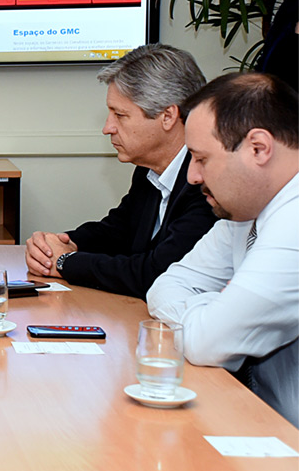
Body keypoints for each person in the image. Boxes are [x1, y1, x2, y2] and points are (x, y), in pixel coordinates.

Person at [148, 73, 298, 427]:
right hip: (259, 422)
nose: (192, 177)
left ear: (258, 148)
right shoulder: (245, 211)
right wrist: (213, 307)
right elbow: (163, 286)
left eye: (201, 159)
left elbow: (206, 343)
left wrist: (210, 316)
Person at [26, 44, 217, 298]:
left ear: (168, 116)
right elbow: (117, 231)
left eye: (120, 115)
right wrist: (56, 246)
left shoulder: (208, 181)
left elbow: (157, 273)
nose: (107, 128)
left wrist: (66, 262)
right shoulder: (148, 168)